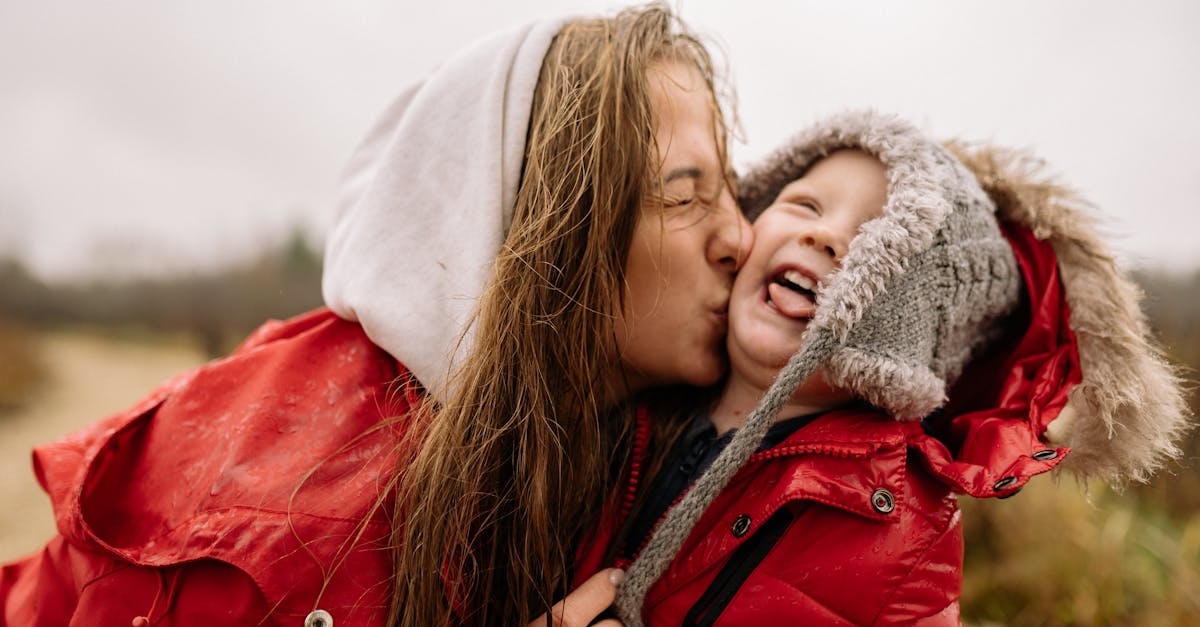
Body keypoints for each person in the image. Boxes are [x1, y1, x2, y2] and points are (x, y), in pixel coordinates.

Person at [0, 5, 753, 626]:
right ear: (539, 239)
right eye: (685, 195)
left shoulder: (650, 443)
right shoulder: (287, 525)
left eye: (733, 192)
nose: (739, 236)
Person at [571, 111, 1190, 625]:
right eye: (805, 204)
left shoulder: (903, 534)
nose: (826, 237)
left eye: (877, 237)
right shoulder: (628, 395)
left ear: (914, 336)